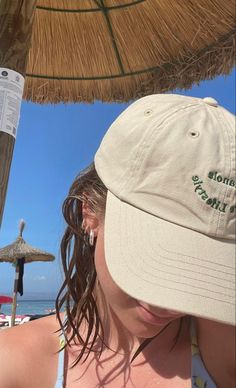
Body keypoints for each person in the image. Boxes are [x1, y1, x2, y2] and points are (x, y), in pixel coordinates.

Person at [0, 94, 235, 388]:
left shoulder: (226, 348)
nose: (167, 302)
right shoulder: (13, 364)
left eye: (202, 269)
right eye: (156, 254)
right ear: (90, 212)